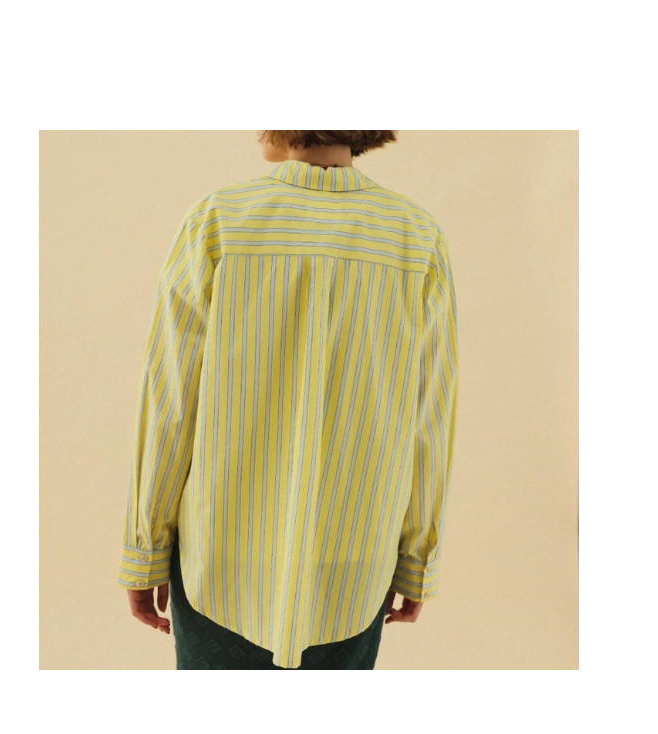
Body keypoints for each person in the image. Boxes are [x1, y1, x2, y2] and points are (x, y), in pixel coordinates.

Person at [119, 130, 459, 669]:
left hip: (218, 563)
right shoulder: (416, 237)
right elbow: (429, 415)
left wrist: (145, 550)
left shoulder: (218, 221)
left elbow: (171, 402)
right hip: (354, 567)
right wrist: (417, 558)